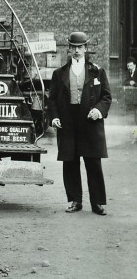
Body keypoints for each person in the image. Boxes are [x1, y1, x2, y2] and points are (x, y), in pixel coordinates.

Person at [47, 32, 110, 216]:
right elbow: (51, 100)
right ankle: (75, 201)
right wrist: (54, 117)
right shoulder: (59, 74)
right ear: (69, 49)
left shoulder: (97, 71)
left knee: (93, 162)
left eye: (80, 47)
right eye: (73, 47)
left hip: (89, 121)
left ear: (85, 49)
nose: (76, 51)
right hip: (68, 121)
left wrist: (99, 110)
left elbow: (106, 96)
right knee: (70, 162)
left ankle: (97, 203)